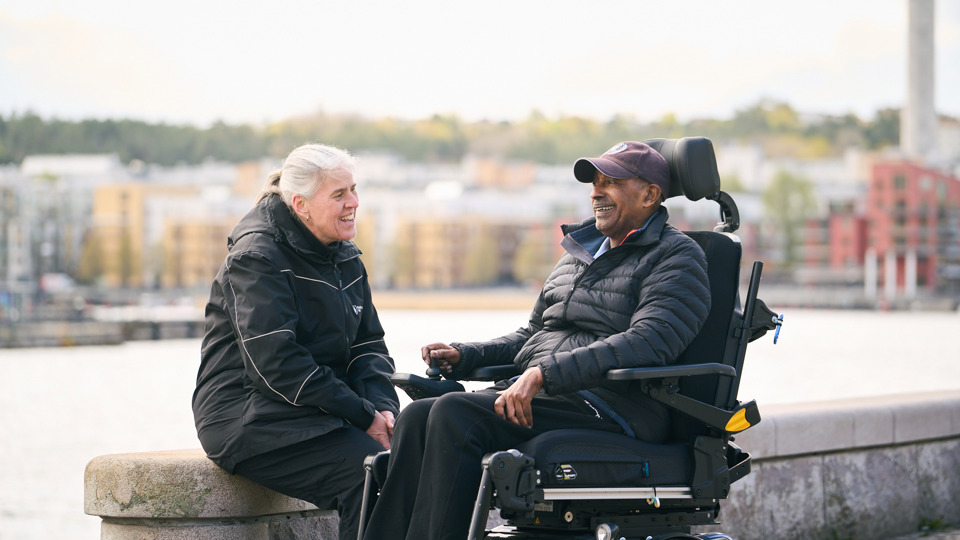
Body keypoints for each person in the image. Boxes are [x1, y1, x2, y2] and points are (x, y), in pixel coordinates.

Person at [361, 141, 712, 540]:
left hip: (615, 404)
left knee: (454, 413)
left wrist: (543, 374)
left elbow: (650, 342)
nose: (596, 192)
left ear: (649, 194)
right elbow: (534, 335)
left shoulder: (677, 256)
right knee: (418, 416)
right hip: (553, 394)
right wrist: (465, 355)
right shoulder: (579, 253)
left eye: (611, 182)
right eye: (595, 183)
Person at [193, 143, 400, 540]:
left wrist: (383, 410)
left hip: (313, 409)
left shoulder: (345, 256)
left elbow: (368, 346)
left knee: (407, 461)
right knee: (370, 474)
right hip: (246, 415)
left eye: (354, 189)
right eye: (339, 194)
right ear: (301, 204)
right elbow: (278, 363)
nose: (353, 203)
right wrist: (363, 415)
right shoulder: (257, 257)